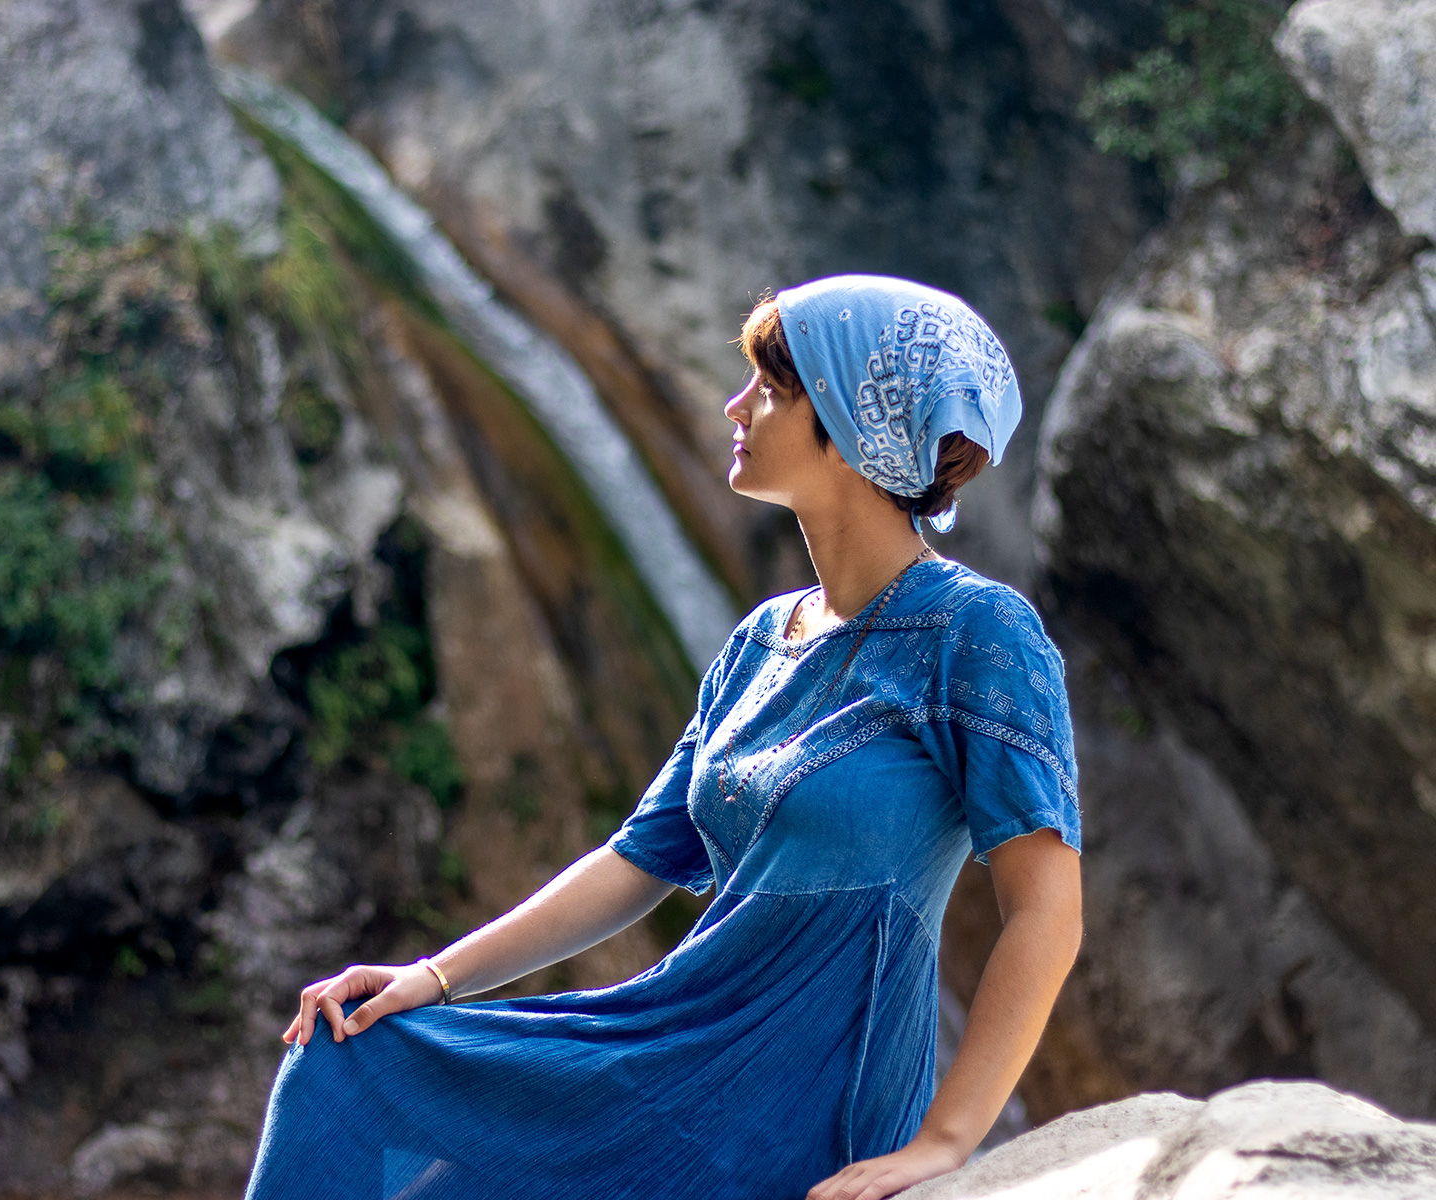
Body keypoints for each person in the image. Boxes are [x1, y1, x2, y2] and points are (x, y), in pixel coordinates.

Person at [244, 275, 1083, 1200]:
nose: (736, 405)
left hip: (808, 1094)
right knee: (343, 1059)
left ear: (849, 422)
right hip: (672, 1039)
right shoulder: (762, 640)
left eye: (771, 387)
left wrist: (945, 1142)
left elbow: (1045, 909)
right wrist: (434, 978)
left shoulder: (979, 634)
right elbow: (638, 860)